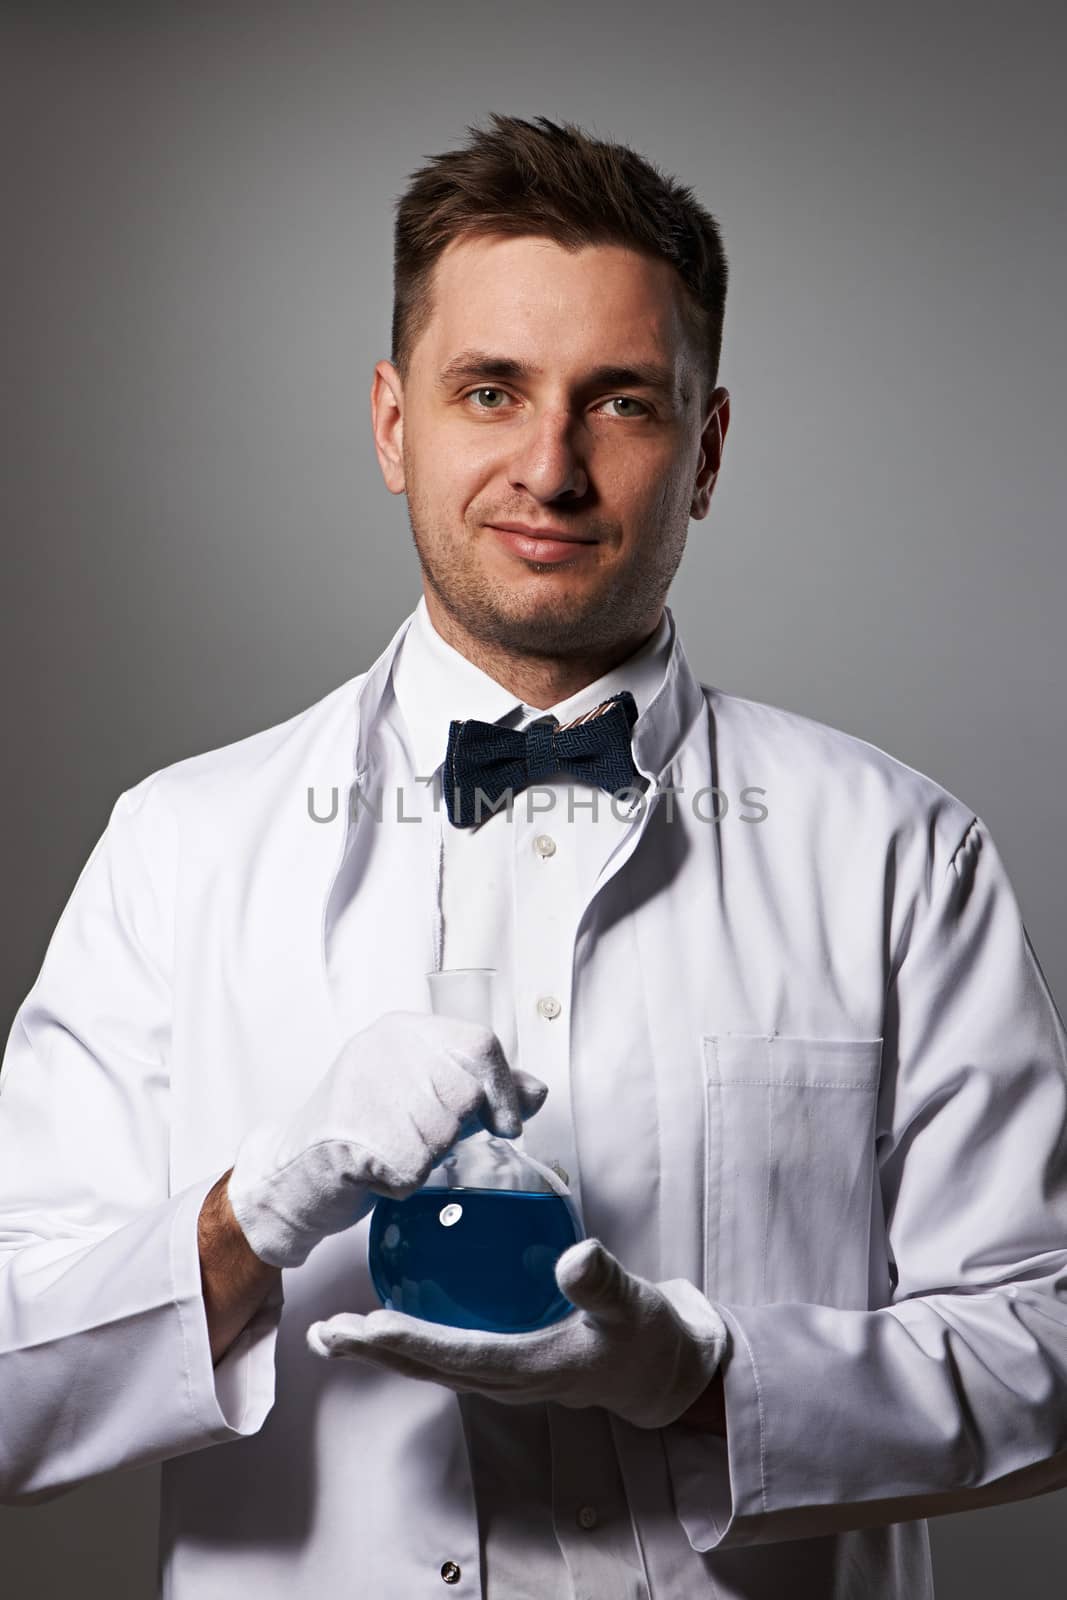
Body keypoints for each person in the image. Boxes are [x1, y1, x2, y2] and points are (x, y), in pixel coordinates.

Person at [2, 110, 1066, 1600]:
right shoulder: (178, 852)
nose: (549, 467)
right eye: (489, 390)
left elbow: (1050, 1346)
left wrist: (700, 1375)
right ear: (393, 423)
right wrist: (267, 1203)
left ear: (706, 450)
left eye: (621, 403)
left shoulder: (903, 854)